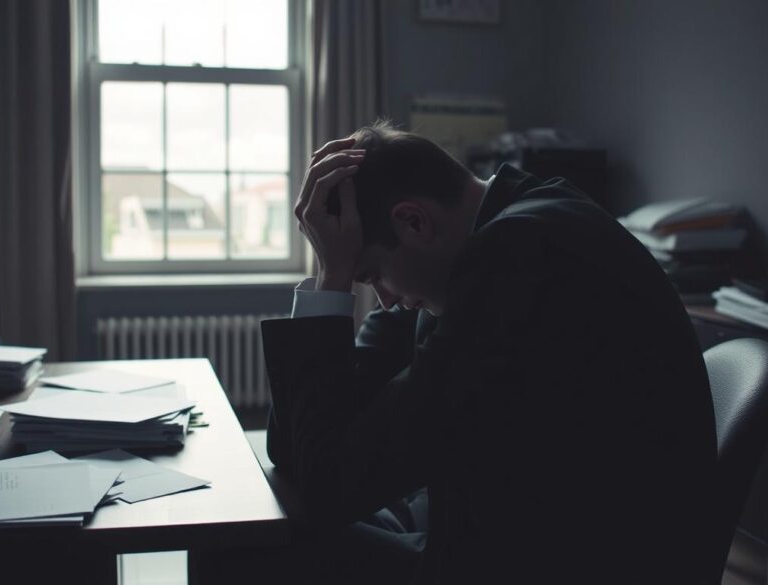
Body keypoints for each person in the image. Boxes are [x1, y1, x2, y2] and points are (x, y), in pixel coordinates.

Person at [206, 121, 717, 584]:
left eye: (371, 276)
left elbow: (330, 486)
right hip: (516, 522)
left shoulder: (520, 256)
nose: (381, 298)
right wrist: (327, 278)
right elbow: (300, 453)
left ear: (413, 223)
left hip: (571, 561)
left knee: (236, 547)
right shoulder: (493, 230)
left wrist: (334, 280)